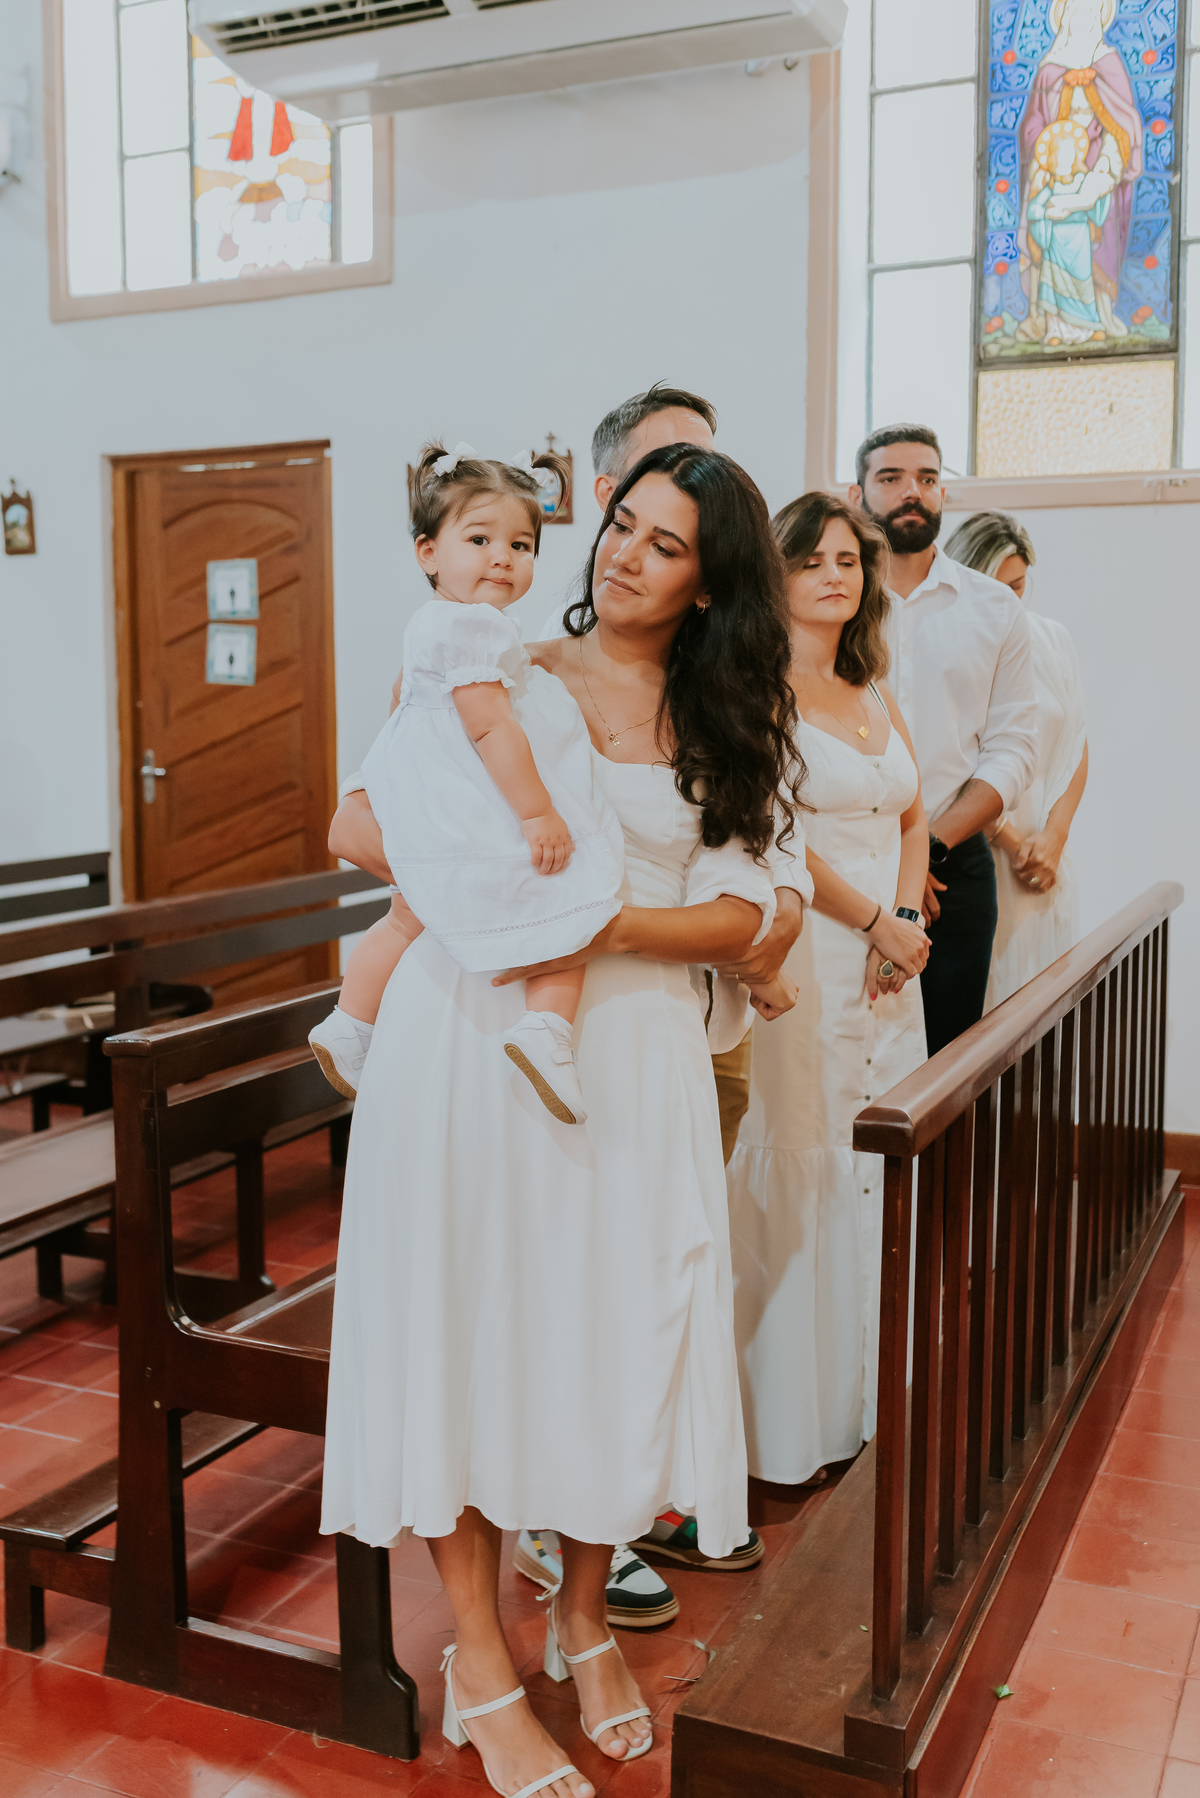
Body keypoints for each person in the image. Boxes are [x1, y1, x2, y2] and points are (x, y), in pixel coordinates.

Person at [321, 443, 805, 1798]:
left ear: (714, 588)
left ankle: (581, 1613)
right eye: (621, 523)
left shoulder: (732, 718)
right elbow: (360, 820)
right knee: (475, 1332)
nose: (621, 553)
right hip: (475, 1040)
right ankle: (480, 1663)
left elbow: (755, 909)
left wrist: (592, 914)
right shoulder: (505, 659)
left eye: (664, 543)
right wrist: (550, 904)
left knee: (618, 1334)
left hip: (635, 1057)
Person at [308, 439, 617, 1123]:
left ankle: (350, 1024)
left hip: (423, 792)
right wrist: (538, 814)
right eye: (479, 539)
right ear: (428, 553)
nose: (503, 557)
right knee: (566, 896)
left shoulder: (434, 625)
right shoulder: (476, 629)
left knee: (406, 912)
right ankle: (547, 1032)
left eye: (521, 544)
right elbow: (490, 729)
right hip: (466, 794)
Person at [728, 494, 930, 1485]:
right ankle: (792, 1427)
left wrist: (911, 921)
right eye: (811, 560)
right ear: (779, 573)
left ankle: (869, 1402)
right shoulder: (761, 685)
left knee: (881, 1160)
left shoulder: (870, 679)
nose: (835, 574)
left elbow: (914, 808)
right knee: (810, 1153)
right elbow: (782, 839)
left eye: (849, 559)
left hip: (895, 965)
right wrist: (874, 922)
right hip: (813, 949)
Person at [850, 425, 1037, 1056]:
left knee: (949, 1055)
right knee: (850, 1050)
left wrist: (927, 848)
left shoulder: (993, 608)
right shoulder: (830, 598)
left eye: (928, 479)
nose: (913, 492)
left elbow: (1015, 749)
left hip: (954, 861)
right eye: (892, 478)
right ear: (857, 495)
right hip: (847, 853)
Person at [944, 512, 1088, 1009]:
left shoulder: (1051, 638)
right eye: (997, 586)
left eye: (1019, 585)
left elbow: (1075, 741)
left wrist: (1054, 837)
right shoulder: (951, 648)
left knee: (1050, 1020)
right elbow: (948, 762)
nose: (1010, 600)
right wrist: (1010, 840)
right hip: (982, 850)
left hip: (1044, 859)